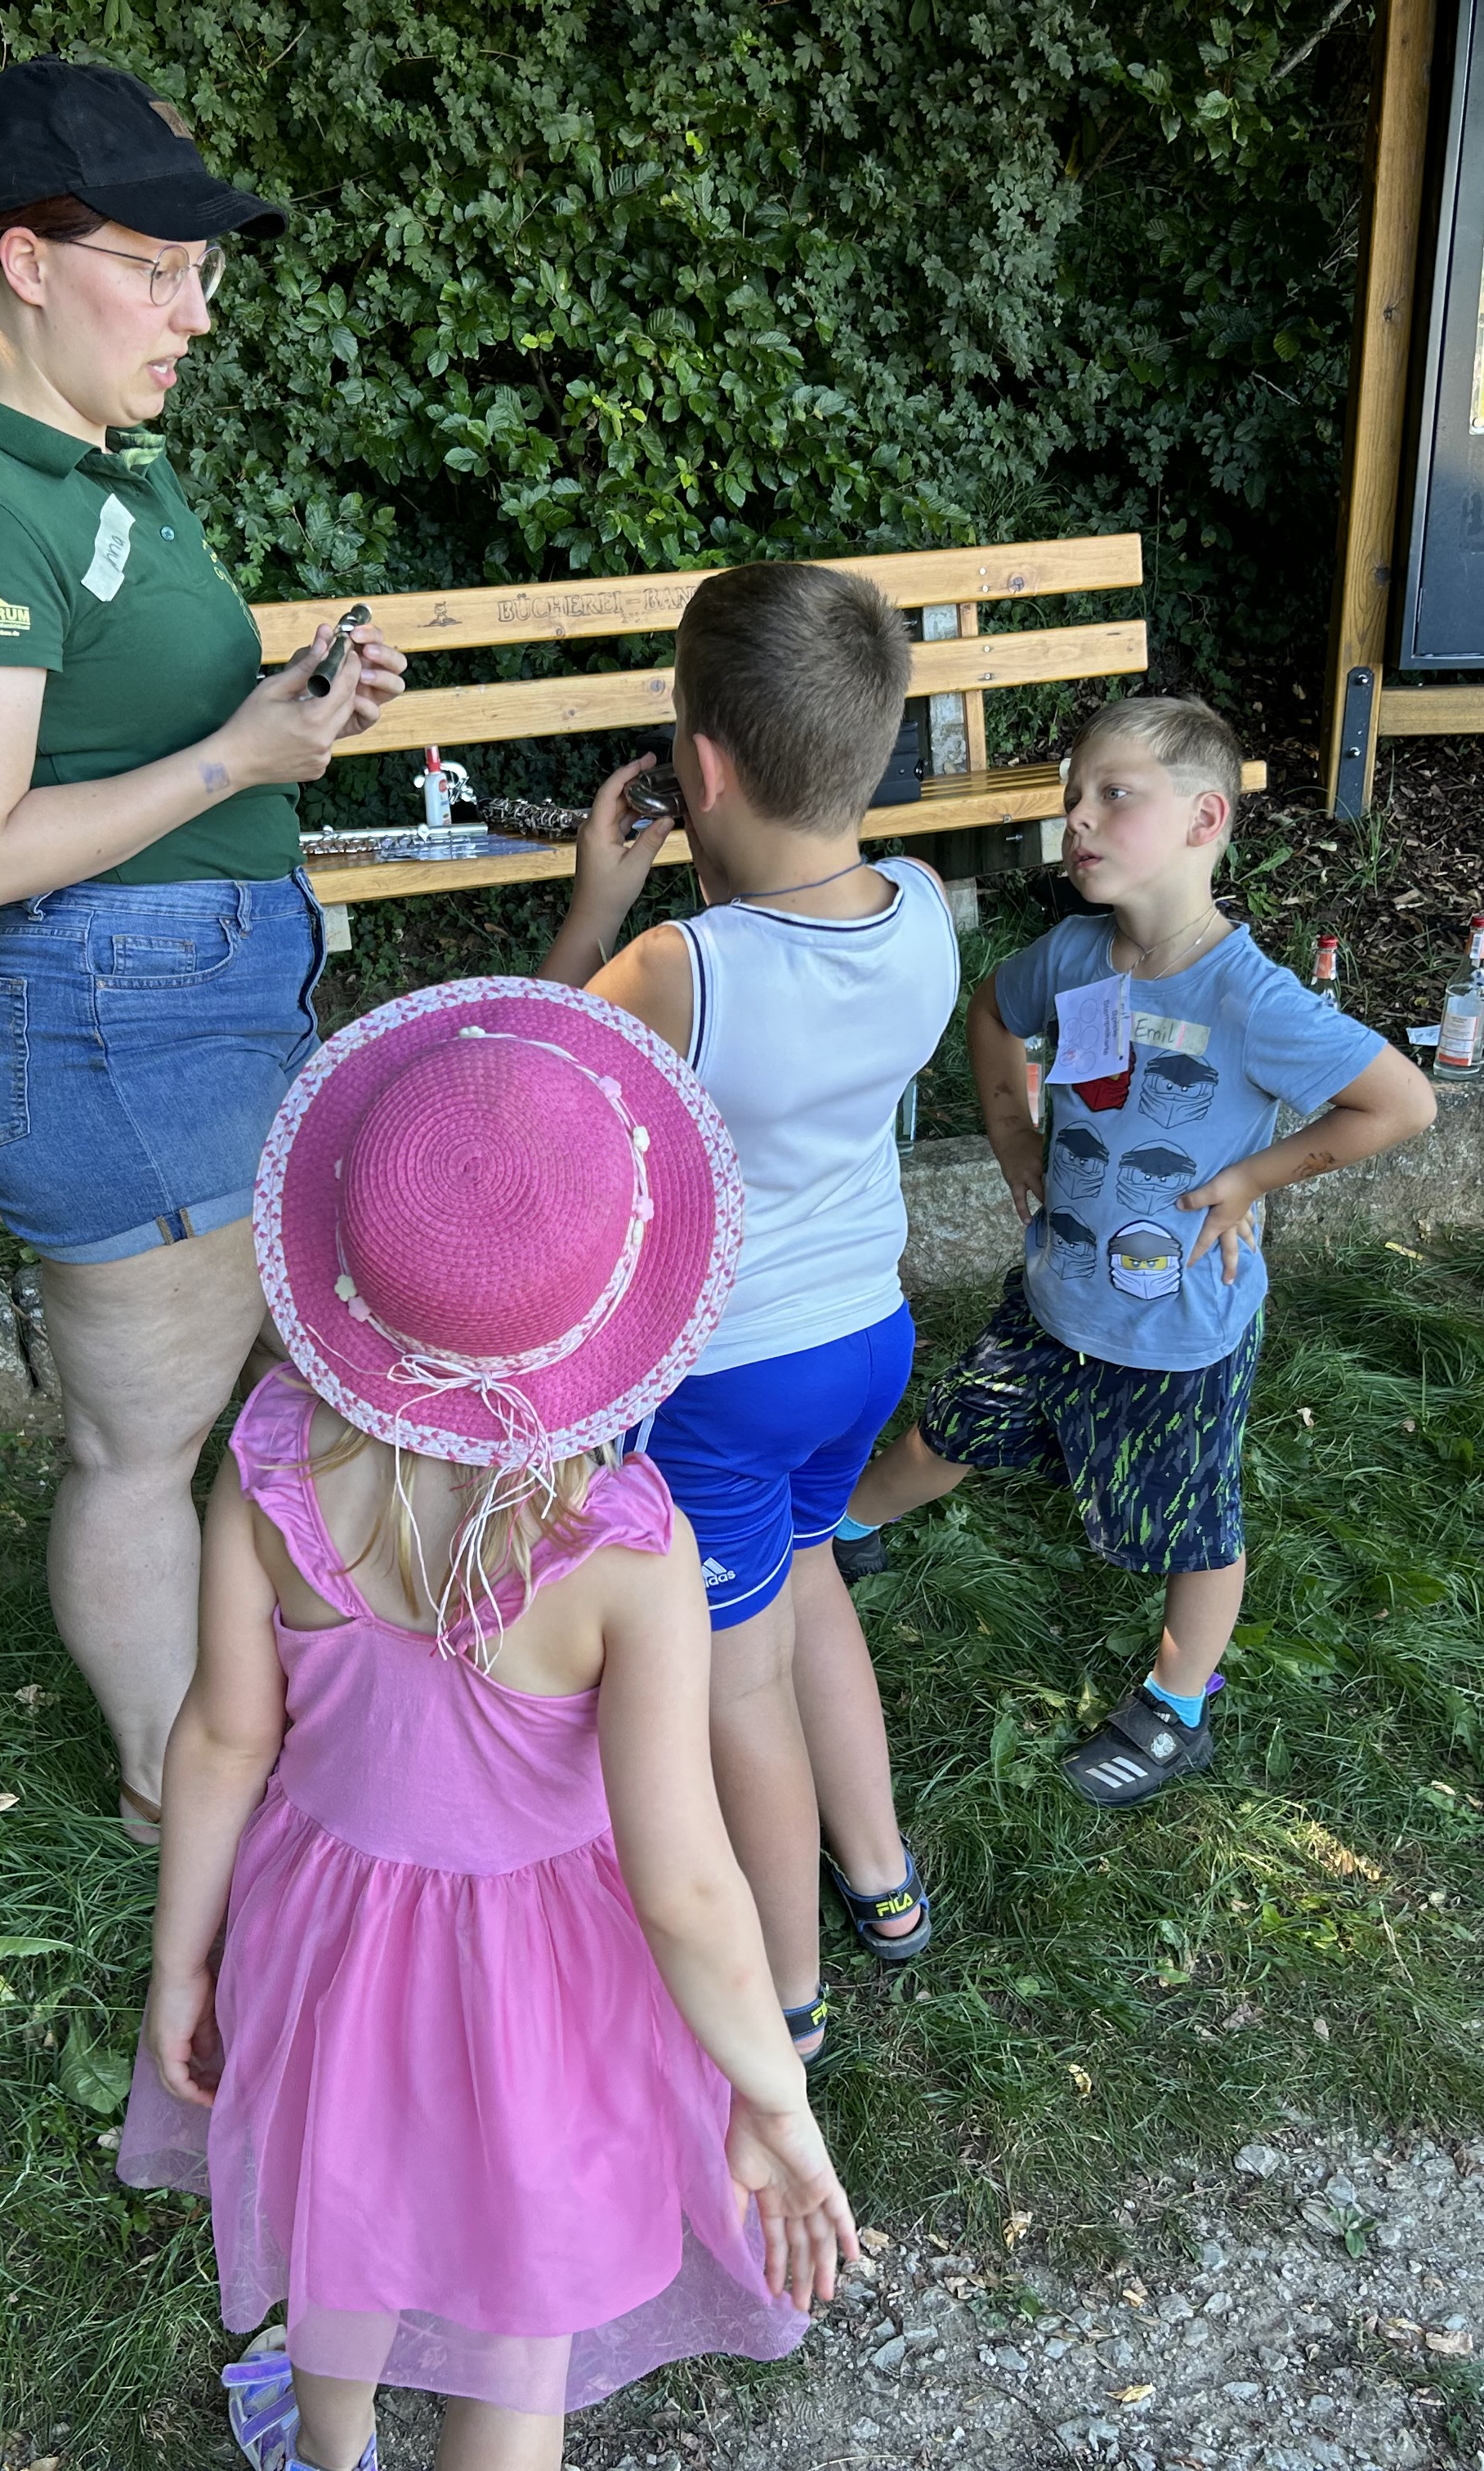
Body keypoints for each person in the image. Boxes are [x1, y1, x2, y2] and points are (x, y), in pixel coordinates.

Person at [123, 979, 857, 2471]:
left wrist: (180, 1956)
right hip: (554, 1978)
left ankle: (325, 2445)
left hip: (324, 1931)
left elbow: (219, 1741)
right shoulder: (626, 1552)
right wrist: (773, 2094)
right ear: (620, 1304)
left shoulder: (272, 1459)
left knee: (339, 2220)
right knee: (525, 2310)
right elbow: (685, 1883)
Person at [0, 59, 408, 1843]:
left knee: (218, 1418)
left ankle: (237, 1737)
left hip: (193, 1001)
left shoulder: (101, 468)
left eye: (203, 273)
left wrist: (287, 711)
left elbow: (136, 730)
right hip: (111, 1022)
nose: (195, 313)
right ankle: (177, 1799)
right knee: (139, 1450)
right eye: (156, 271)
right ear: (25, 262)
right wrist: (238, 756)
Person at [829, 698, 1437, 1805]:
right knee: (956, 1424)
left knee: (1190, 1522)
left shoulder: (1250, 998)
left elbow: (1402, 1103)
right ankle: (847, 1526)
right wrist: (1012, 1133)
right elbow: (991, 1013)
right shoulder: (1073, 955)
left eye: (1115, 795)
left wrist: (1250, 1179)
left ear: (1206, 819)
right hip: (1055, 1293)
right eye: (1074, 798)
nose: (1079, 819)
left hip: (1176, 1331)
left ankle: (1177, 1706)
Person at [541, 562, 961, 2061]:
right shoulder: (922, 909)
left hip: (724, 1377)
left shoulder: (679, 965)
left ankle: (786, 1992)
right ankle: (883, 1879)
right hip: (865, 1341)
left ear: (699, 770)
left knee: (740, 1677)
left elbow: (529, 1094)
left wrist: (597, 903)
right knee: (811, 1572)